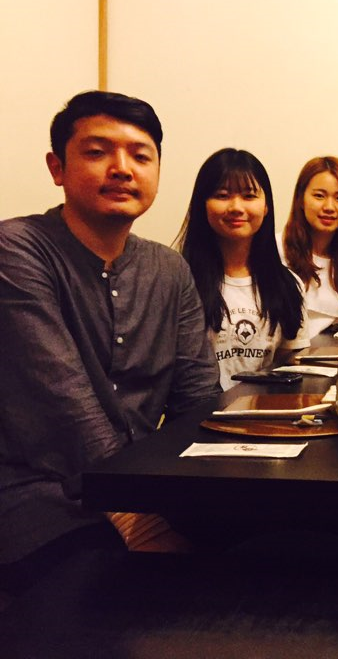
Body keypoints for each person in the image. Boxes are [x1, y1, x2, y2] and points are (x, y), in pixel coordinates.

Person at [0, 91, 221, 594]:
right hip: (36, 498)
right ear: (57, 168)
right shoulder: (17, 250)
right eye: (98, 152)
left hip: (148, 488)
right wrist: (135, 516)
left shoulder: (169, 269)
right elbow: (61, 404)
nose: (122, 168)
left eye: (141, 155)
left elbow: (198, 400)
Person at [176, 149, 310, 389]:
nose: (236, 207)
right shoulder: (178, 281)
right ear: (202, 205)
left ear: (266, 206)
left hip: (262, 411)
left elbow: (290, 365)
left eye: (249, 196)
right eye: (222, 195)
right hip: (197, 410)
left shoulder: (287, 285)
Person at [280, 156, 338, 336]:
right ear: (300, 199)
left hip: (323, 351)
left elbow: (335, 329)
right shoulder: (274, 251)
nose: (329, 207)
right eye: (319, 196)